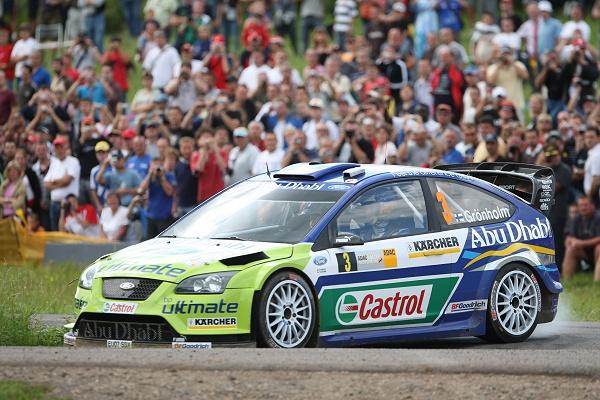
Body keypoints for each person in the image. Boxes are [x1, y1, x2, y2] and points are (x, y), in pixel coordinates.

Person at [542, 144, 572, 266]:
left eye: (556, 156)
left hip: (560, 211)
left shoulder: (565, 170)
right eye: (551, 157)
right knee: (551, 240)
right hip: (549, 211)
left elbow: (553, 188)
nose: (554, 159)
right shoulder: (549, 170)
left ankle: (559, 266)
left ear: (560, 155)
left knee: (558, 240)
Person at [43, 136, 81, 231]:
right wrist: (60, 182)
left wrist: (54, 182)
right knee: (55, 230)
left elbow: (67, 181)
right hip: (54, 203)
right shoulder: (54, 163)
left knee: (68, 231)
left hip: (68, 204)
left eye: (61, 147)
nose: (59, 150)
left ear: (66, 148)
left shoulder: (73, 161)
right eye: (57, 148)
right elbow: (46, 184)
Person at [563, 196, 600, 282]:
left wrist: (581, 243)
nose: (583, 208)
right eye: (581, 205)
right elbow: (570, 236)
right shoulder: (576, 218)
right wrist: (570, 241)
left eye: (585, 205)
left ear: (593, 205)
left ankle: (597, 282)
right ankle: (567, 282)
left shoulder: (598, 217)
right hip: (584, 251)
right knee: (570, 249)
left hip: (596, 250)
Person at [139, 156, 176, 238]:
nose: (156, 169)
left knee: (164, 241)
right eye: (154, 166)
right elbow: (141, 190)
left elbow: (169, 192)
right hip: (151, 216)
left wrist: (162, 177)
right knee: (150, 241)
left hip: (165, 216)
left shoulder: (169, 176)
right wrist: (149, 174)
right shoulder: (149, 177)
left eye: (158, 165)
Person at [192, 129, 227, 203]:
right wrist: (204, 151)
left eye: (209, 137)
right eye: (204, 137)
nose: (207, 140)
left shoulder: (221, 153)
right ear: (199, 141)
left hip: (219, 194)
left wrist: (215, 151)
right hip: (204, 196)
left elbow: (224, 169)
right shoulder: (196, 154)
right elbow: (198, 171)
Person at [174, 136, 197, 217]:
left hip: (194, 204)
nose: (187, 151)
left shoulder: (197, 163)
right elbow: (176, 186)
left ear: (193, 148)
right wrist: (175, 205)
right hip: (181, 204)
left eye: (189, 148)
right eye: (184, 148)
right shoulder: (177, 165)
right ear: (180, 149)